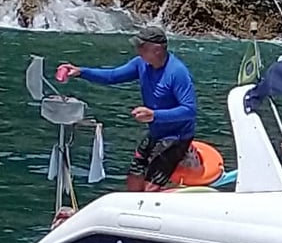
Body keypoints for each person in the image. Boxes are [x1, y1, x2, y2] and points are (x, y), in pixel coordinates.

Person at [60, 25, 197, 192]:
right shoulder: (141, 64)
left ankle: (185, 155)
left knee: (151, 186)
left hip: (177, 136)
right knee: (134, 174)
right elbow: (112, 76)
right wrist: (81, 72)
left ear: (157, 50)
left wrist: (154, 115)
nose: (137, 50)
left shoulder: (177, 72)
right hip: (156, 132)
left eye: (142, 47)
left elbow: (189, 110)